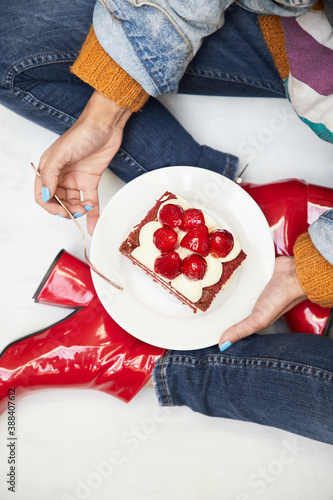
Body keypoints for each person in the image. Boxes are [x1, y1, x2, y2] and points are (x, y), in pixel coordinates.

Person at [0, 0, 332, 443]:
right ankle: (245, 213)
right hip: (311, 42)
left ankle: (144, 357)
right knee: (12, 41)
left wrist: (318, 267)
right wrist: (107, 112)